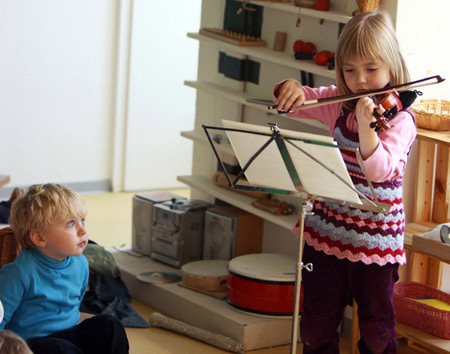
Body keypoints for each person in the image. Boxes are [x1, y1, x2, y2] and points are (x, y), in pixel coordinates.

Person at [273, 11, 415, 354]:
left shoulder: (401, 120)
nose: (360, 81)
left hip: (376, 242)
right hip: (327, 232)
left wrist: (368, 129)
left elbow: (381, 170)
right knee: (317, 323)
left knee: (376, 328)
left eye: (371, 69)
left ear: (392, 66)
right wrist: (288, 88)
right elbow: (296, 104)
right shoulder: (338, 102)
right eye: (349, 70)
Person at [0, 183, 129, 354]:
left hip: (67, 336)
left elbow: (75, 303)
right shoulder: (16, 274)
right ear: (39, 237)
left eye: (82, 221)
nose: (83, 230)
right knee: (59, 348)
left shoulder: (81, 263)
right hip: (30, 345)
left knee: (109, 325)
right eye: (70, 223)